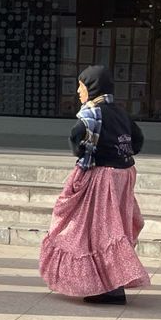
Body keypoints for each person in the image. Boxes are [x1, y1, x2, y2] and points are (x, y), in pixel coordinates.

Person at [39, 65, 149, 305]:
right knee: (113, 231)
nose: (78, 92)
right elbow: (138, 141)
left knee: (93, 232)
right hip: (123, 176)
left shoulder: (91, 113)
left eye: (81, 86)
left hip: (102, 179)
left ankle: (105, 288)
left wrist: (89, 151)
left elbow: (76, 139)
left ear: (92, 87)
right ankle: (113, 285)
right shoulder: (120, 112)